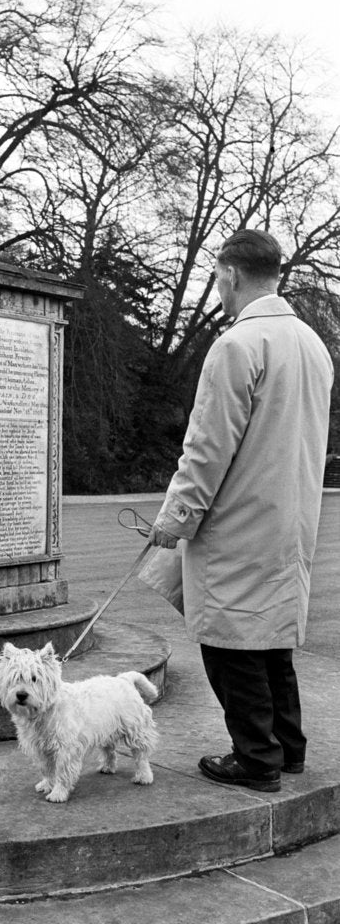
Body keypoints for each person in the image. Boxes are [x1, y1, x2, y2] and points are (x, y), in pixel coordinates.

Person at [149, 229, 334, 793]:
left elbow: (208, 447)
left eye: (217, 277)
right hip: (292, 518)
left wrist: (176, 517)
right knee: (271, 635)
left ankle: (256, 758)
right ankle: (287, 747)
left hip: (239, 520)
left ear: (229, 273)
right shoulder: (312, 344)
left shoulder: (237, 346)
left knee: (229, 640)